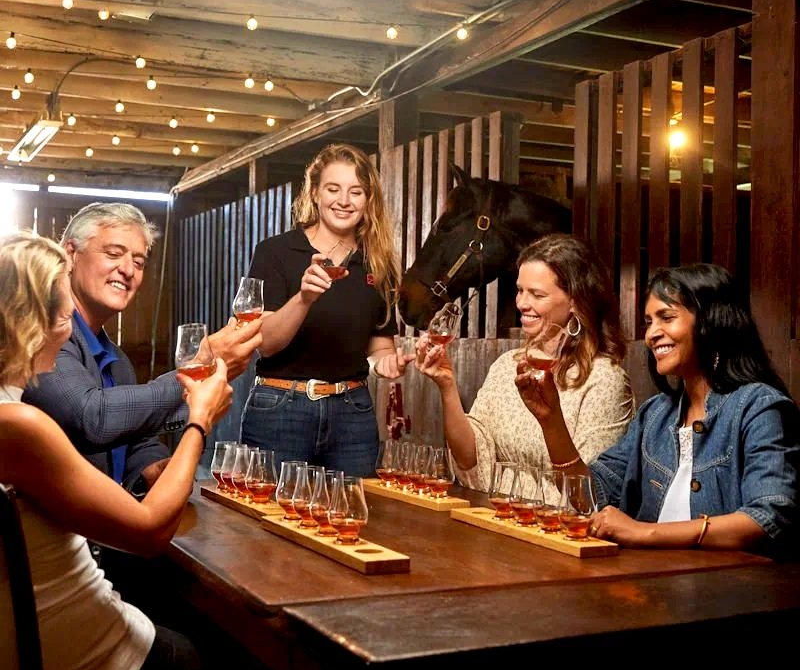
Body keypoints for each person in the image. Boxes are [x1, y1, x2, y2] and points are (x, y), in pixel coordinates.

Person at [0, 231, 233, 670]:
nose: (66, 334)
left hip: (43, 636)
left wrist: (157, 461)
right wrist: (199, 420)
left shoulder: (16, 410)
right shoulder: (16, 425)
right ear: (28, 323)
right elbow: (149, 530)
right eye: (63, 317)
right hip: (74, 666)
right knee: (213, 659)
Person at [519, 263, 800, 556]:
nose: (652, 333)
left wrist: (643, 531)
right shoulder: (655, 414)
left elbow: (768, 517)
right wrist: (551, 421)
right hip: (653, 585)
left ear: (711, 323)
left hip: (729, 591)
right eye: (649, 321)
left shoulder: (759, 407)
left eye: (666, 317)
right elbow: (591, 496)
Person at [22, 201, 263, 495]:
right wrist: (196, 372)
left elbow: (135, 439)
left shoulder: (118, 360)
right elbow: (92, 418)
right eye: (113, 254)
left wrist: (150, 466)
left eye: (138, 262)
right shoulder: (44, 334)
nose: (127, 270)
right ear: (71, 254)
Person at [415, 233, 634, 491]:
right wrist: (447, 386)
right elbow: (470, 461)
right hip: (497, 516)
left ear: (576, 300)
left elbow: (587, 493)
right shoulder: (507, 365)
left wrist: (550, 420)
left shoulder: (604, 380)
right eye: (520, 290)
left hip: (553, 527)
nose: (522, 303)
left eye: (537, 294)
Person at [241, 143, 409, 477]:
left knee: (349, 520)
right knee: (270, 523)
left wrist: (386, 364)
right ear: (315, 193)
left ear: (368, 200)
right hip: (280, 407)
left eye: (356, 191)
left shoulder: (378, 264)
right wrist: (303, 298)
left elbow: (378, 349)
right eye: (333, 189)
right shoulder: (276, 252)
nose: (344, 201)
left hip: (353, 414)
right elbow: (266, 343)